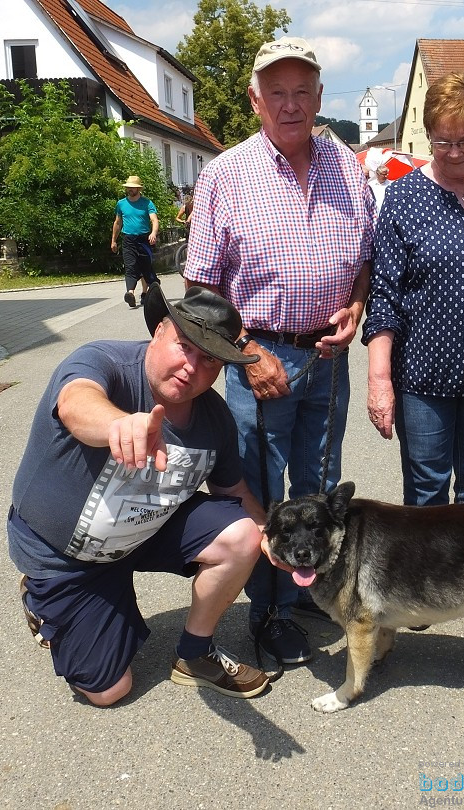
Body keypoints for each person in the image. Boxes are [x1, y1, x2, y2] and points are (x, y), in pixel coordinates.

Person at [184, 36, 374, 666]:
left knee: (318, 492)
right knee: (261, 495)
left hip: (327, 358)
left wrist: (355, 305)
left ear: (319, 97)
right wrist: (243, 349)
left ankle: (310, 599)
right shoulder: (224, 175)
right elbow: (201, 291)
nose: (290, 105)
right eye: (277, 93)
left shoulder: (348, 168)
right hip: (258, 360)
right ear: (255, 99)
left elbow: (366, 262)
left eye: (302, 93)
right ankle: (266, 616)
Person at [7, 285, 270, 705]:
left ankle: (195, 654)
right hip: (67, 554)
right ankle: (45, 598)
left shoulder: (214, 416)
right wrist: (118, 425)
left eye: (209, 360)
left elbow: (232, 490)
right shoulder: (104, 361)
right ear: (159, 330)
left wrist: (267, 530)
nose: (191, 368)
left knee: (243, 534)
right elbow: (77, 403)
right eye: (184, 346)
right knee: (110, 691)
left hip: (144, 531)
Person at [363, 72, 464, 509]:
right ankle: (427, 580)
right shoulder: (403, 197)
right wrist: (379, 379)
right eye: (442, 142)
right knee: (426, 494)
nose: (454, 153)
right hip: (422, 377)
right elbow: (384, 296)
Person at [111, 176, 160, 308]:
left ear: (138, 189)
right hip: (128, 239)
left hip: (144, 239)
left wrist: (153, 233)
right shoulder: (121, 204)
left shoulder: (147, 203)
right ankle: (130, 293)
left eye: (132, 187)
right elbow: (117, 222)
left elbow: (154, 220)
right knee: (130, 266)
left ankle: (145, 292)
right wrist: (113, 241)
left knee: (146, 267)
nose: (129, 189)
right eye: (128, 187)